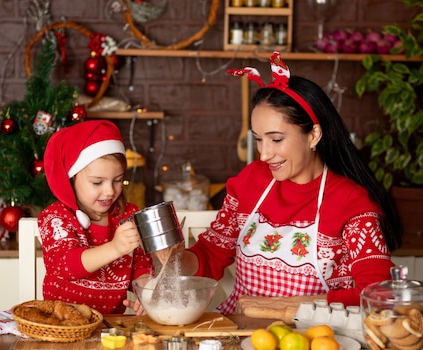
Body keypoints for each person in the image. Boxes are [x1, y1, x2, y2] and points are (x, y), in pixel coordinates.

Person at [169, 51, 402, 315]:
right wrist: (175, 259)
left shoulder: (351, 203)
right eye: (258, 139)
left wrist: (280, 307)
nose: (264, 154)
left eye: (276, 139)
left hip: (319, 342)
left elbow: (377, 293)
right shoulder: (250, 181)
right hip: (242, 337)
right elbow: (210, 256)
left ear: (313, 135)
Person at [38, 119, 153, 314]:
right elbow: (66, 265)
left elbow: (141, 263)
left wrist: (146, 292)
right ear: (72, 179)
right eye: (97, 182)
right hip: (63, 322)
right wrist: (115, 248)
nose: (109, 191)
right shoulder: (56, 217)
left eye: (118, 180)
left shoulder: (128, 215)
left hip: (112, 324)